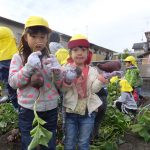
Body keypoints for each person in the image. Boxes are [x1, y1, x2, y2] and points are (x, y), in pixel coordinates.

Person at [8, 16, 62, 150]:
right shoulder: (18, 58)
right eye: (34, 36)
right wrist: (28, 67)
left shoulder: (50, 59)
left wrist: (58, 72)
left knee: (49, 143)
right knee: (28, 142)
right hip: (27, 109)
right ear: (26, 37)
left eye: (42, 37)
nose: (38, 41)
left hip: (50, 108)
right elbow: (13, 82)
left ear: (47, 39)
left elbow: (60, 85)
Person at [61, 34, 109, 150]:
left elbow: (93, 90)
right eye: (75, 50)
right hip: (70, 112)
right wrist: (68, 80)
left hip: (88, 112)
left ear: (88, 53)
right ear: (70, 53)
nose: (79, 53)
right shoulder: (65, 69)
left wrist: (100, 81)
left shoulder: (92, 71)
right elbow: (62, 89)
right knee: (69, 142)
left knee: (84, 142)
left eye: (83, 50)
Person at [0, 26, 18, 109]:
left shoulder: (1, 30)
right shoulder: (7, 30)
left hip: (4, 58)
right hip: (13, 56)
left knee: (9, 86)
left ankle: (17, 108)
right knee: (14, 86)